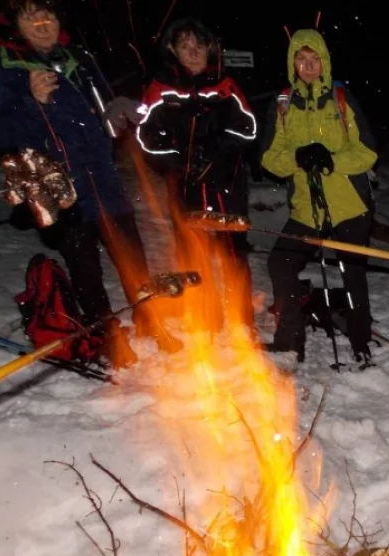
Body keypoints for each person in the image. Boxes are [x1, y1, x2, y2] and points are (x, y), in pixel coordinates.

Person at [0, 0, 179, 368]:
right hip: (59, 187)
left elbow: (102, 108)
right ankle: (109, 335)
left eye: (48, 15)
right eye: (30, 17)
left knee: (132, 257)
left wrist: (117, 114)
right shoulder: (0, 67)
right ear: (15, 24)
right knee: (85, 267)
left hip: (103, 177)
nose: (42, 23)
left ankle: (151, 319)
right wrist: (31, 100)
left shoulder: (78, 59)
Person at [261, 28, 378, 370]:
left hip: (350, 205)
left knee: (353, 271)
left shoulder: (341, 99)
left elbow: (368, 152)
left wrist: (332, 159)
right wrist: (299, 158)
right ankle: (289, 342)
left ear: (324, 62)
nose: (308, 65)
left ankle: (361, 342)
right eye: (301, 59)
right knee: (280, 262)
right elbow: (269, 157)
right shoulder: (283, 103)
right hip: (306, 209)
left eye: (314, 59)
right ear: (292, 63)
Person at [136, 17, 257, 335]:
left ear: (209, 48)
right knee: (192, 252)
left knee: (234, 252)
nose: (193, 52)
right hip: (185, 185)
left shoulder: (225, 84)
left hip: (226, 182)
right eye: (185, 46)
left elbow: (248, 128)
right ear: (173, 50)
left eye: (198, 45)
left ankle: (242, 318)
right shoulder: (160, 88)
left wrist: (218, 150)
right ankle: (208, 315)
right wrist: (178, 162)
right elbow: (147, 139)